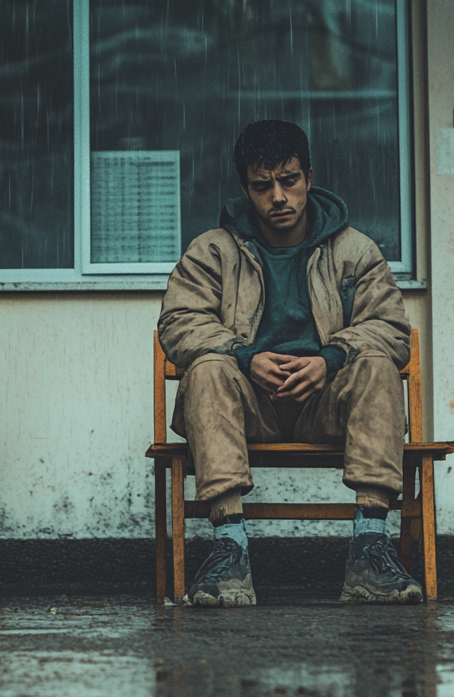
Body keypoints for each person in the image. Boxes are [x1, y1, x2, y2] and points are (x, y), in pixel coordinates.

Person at [157, 119, 420, 606]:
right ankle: (228, 553)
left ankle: (369, 550)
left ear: (309, 177)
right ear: (245, 189)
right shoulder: (212, 251)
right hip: (247, 406)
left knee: (378, 364)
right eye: (263, 185)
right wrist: (243, 355)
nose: (278, 196)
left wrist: (331, 358)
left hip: (327, 407)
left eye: (289, 180)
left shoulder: (354, 250)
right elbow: (178, 324)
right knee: (209, 368)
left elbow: (391, 328)